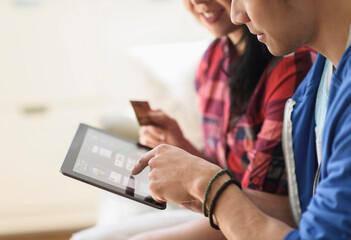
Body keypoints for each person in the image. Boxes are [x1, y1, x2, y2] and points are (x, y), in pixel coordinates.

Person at [132, 0, 351, 239]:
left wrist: (206, 184)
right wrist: (193, 173)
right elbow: (300, 211)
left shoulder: (298, 77)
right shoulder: (316, 86)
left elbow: (295, 219)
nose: (237, 16)